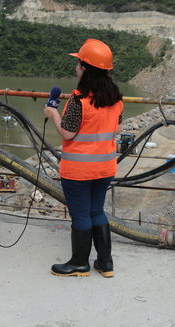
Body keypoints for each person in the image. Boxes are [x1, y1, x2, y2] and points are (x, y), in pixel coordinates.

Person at [44, 38, 123, 278]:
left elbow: (67, 131)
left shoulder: (78, 100)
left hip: (78, 171)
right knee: (96, 211)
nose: (76, 67)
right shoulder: (115, 99)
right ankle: (105, 263)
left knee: (80, 215)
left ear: (85, 68)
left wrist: (53, 113)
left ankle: (79, 263)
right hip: (105, 168)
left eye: (78, 63)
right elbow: (116, 129)